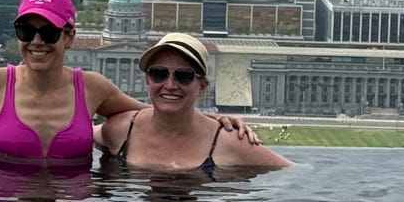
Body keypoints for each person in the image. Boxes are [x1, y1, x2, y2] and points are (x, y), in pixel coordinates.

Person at [0, 0, 262, 165]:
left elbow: (157, 111)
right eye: (26, 31)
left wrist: (215, 120)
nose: (37, 41)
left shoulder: (92, 87)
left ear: (69, 37)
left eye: (50, 32)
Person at [102, 32, 290, 174]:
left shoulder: (230, 142)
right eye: (159, 73)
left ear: (202, 86)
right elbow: (83, 133)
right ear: (147, 80)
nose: (170, 85)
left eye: (184, 76)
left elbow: (291, 174)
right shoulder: (119, 130)